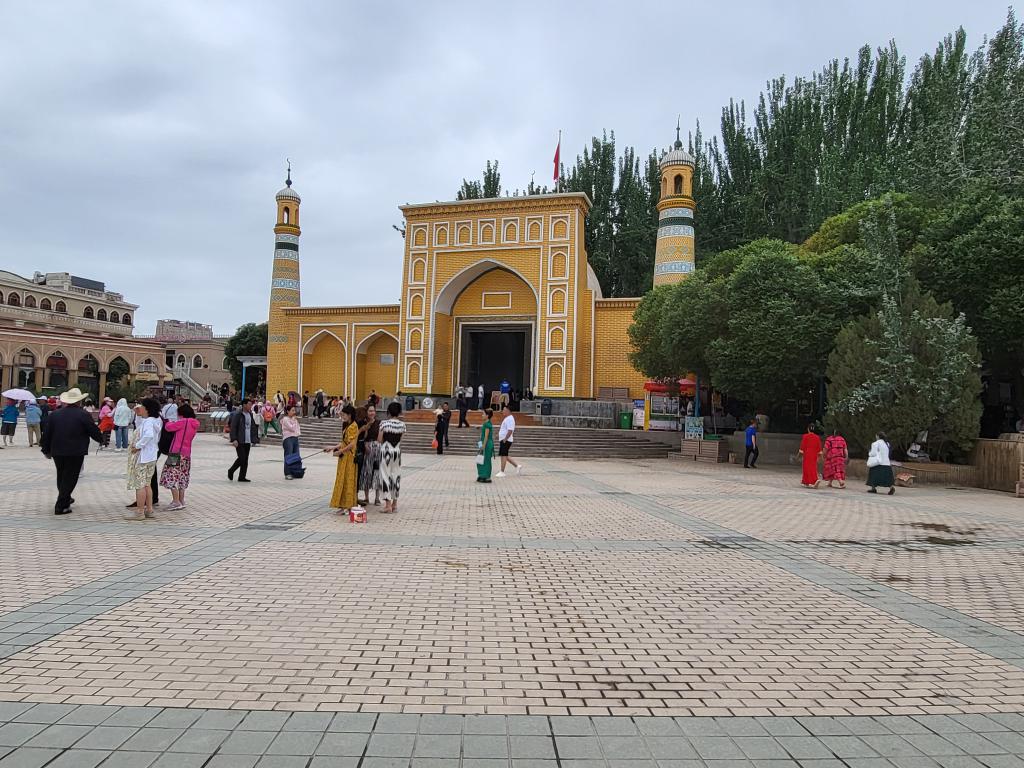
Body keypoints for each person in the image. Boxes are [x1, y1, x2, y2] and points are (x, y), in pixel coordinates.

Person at [39, 388, 102, 514]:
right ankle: (61, 505)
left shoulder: (55, 414)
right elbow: (92, 430)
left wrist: (45, 449)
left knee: (61, 475)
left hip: (57, 450)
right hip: (76, 451)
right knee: (70, 477)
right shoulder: (83, 414)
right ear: (79, 401)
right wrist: (101, 439)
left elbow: (47, 433)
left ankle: (66, 498)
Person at [126, 398, 162, 520]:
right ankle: (149, 509)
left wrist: (137, 446)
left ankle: (140, 511)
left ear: (147, 408)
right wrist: (138, 415)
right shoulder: (156, 420)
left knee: (140, 484)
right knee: (147, 484)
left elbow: (148, 435)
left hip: (144, 457)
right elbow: (141, 425)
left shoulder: (148, 422)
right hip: (152, 456)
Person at [159, 403, 200, 511]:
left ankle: (176, 501)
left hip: (175, 453)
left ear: (181, 414)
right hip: (186, 454)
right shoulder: (194, 423)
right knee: (182, 477)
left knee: (169, 475)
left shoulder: (182, 422)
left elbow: (168, 428)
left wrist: (168, 421)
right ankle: (181, 500)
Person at [326, 404, 359, 513]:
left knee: (348, 479)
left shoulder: (353, 426)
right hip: (344, 456)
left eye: (344, 414)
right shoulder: (347, 425)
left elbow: (352, 444)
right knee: (342, 479)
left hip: (349, 457)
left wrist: (340, 451)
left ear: (349, 415)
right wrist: (332, 448)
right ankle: (343, 505)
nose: (342, 416)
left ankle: (348, 505)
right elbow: (344, 442)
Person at [378, 401, 406, 513]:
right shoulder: (402, 425)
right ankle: (395, 504)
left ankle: (388, 505)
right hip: (397, 452)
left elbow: (379, 440)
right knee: (396, 476)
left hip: (386, 451)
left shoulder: (384, 424)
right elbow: (401, 440)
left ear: (388, 412)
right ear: (399, 412)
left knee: (385, 476)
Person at [228, 399, 260, 482]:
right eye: (249, 404)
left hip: (247, 440)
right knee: (242, 458)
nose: (250, 406)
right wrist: (234, 439)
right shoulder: (238, 414)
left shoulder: (250, 414)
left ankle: (242, 477)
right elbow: (233, 427)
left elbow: (253, 427)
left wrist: (255, 438)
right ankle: (231, 470)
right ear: (244, 405)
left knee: (245, 459)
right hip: (240, 439)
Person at [359, 404, 381, 505]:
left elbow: (381, 438)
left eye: (373, 411)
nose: (372, 413)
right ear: (366, 412)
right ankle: (367, 497)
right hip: (367, 448)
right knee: (366, 473)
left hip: (377, 448)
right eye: (370, 411)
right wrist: (365, 444)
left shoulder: (379, 423)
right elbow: (363, 436)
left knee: (377, 472)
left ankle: (377, 498)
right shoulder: (363, 423)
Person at [496, 405, 522, 477]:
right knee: (505, 455)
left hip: (506, 440)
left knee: (503, 455)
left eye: (504, 410)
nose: (503, 411)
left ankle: (502, 471)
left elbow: (510, 430)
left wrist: (505, 439)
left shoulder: (510, 419)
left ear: (508, 410)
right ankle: (517, 466)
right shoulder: (507, 418)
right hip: (504, 439)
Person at [867, 431, 895, 495]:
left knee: (873, 476)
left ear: (878, 436)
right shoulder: (887, 444)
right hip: (887, 463)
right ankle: (891, 487)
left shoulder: (875, 443)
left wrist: (869, 453)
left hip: (878, 463)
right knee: (887, 478)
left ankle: (873, 488)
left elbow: (873, 453)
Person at [281, 405, 303, 479]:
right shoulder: (285, 419)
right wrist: (294, 420)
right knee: (289, 456)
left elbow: (297, 429)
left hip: (295, 438)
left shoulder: (294, 419)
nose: (294, 412)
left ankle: (295, 472)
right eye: (292, 410)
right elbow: (291, 428)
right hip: (288, 439)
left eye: (294, 410)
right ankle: (287, 473)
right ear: (288, 411)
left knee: (295, 456)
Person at [797, 424, 822, 489]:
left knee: (807, 467)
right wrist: (820, 456)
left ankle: (814, 480)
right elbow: (819, 447)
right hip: (814, 454)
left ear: (808, 429)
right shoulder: (817, 437)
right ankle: (806, 481)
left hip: (807, 453)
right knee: (813, 467)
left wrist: (798, 455)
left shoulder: (805, 436)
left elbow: (802, 446)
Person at [476, 408, 495, 483]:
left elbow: (486, 436)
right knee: (481, 460)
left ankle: (486, 476)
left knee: (486, 460)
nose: (482, 415)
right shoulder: (486, 423)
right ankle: (482, 475)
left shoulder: (487, 424)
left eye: (483, 414)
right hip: (485, 443)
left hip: (486, 444)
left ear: (487, 415)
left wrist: (483, 446)